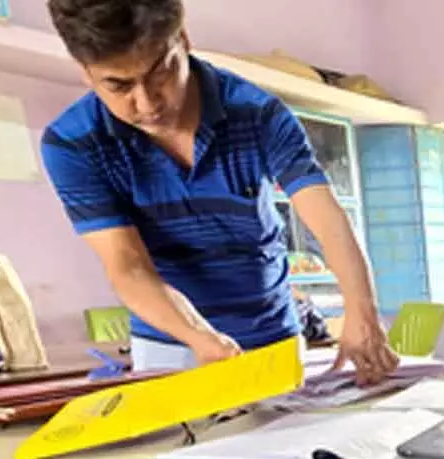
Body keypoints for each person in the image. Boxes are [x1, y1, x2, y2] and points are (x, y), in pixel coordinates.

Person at [41, 0, 397, 383]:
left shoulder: (257, 113)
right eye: (118, 85)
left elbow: (327, 220)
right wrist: (199, 336)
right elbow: (127, 264)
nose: (147, 103)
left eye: (161, 72)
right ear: (85, 73)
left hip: (273, 336)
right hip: (169, 343)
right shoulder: (72, 143)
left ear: (184, 40)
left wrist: (362, 312)